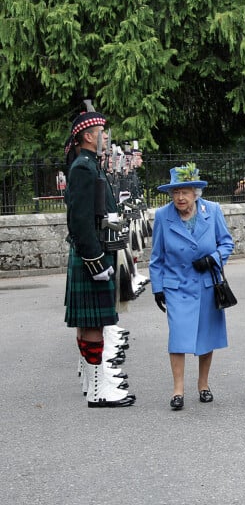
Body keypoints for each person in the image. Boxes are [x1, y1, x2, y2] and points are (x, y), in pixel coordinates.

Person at [64, 110, 135, 408]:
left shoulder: (91, 165)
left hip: (96, 247)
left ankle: (96, 382)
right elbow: (79, 219)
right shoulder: (83, 167)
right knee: (92, 323)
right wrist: (94, 259)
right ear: (89, 136)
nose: (105, 136)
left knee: (92, 322)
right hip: (91, 251)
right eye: (101, 131)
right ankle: (97, 390)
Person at [149, 163, 234, 409]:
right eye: (175, 193)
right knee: (178, 336)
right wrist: (157, 287)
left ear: (195, 193)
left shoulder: (213, 210)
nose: (180, 197)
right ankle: (178, 391)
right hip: (177, 287)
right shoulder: (163, 216)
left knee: (206, 336)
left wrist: (213, 259)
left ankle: (203, 385)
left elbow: (227, 244)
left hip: (207, 284)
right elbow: (157, 257)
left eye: (184, 192)